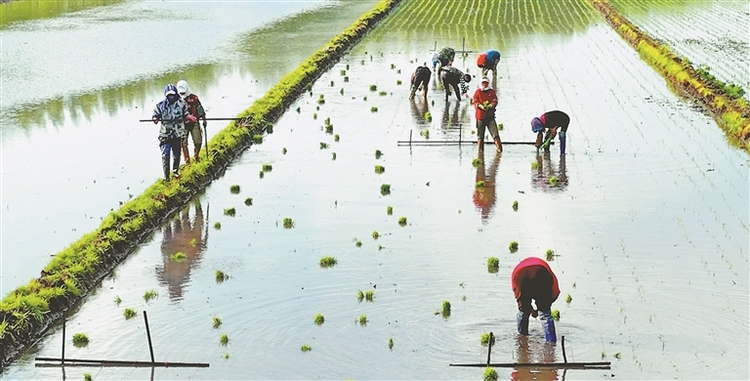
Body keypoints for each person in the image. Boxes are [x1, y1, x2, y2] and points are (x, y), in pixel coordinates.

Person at [511, 257, 560, 342]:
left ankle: (522, 339)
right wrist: (544, 306)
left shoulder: (517, 270)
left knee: (523, 312)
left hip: (521, 275)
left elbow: (517, 294)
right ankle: (551, 344)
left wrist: (527, 308)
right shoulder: (547, 271)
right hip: (541, 273)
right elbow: (556, 291)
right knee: (545, 315)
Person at [152, 84, 195, 181]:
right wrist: (155, 119)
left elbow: (186, 115)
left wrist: (189, 117)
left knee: (177, 154)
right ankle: (166, 177)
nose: (170, 97)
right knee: (165, 155)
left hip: (177, 134)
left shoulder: (181, 104)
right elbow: (155, 115)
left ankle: (175, 172)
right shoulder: (160, 106)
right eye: (169, 95)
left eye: (172, 95)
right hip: (165, 135)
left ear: (176, 94)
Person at [176, 80, 207, 163]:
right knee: (183, 143)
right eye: (181, 93)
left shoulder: (194, 98)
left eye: (183, 93)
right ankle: (187, 160)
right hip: (182, 124)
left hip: (194, 123)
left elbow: (200, 109)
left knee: (198, 141)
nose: (182, 95)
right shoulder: (176, 101)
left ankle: (196, 155)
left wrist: (204, 119)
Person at [472, 76, 502, 152]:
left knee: (495, 134)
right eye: (483, 83)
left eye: (486, 83)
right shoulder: (478, 92)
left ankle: (499, 150)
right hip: (480, 117)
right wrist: (480, 105)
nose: (484, 84)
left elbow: (495, 101)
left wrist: (490, 105)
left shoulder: (491, 92)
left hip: (490, 117)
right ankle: (480, 152)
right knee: (480, 137)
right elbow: (475, 101)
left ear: (488, 83)